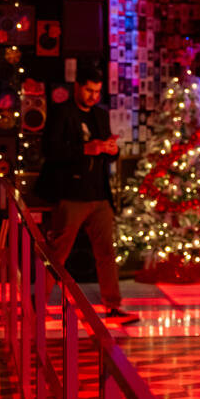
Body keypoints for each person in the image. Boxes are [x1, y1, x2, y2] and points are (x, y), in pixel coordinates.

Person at [33, 62, 137, 323]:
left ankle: (113, 305)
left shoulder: (100, 115)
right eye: (89, 90)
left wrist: (113, 151)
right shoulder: (61, 112)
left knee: (106, 252)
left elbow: (106, 153)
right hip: (71, 193)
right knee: (58, 253)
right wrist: (85, 150)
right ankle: (36, 305)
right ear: (77, 87)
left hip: (98, 193)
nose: (93, 96)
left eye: (97, 91)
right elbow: (50, 151)